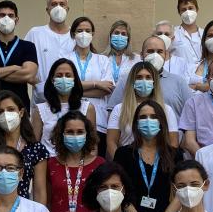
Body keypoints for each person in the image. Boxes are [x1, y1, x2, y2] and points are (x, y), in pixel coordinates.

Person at [113, 100, 184, 212]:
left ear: (161, 122)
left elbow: (180, 194)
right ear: (136, 123)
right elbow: (118, 192)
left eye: (153, 117)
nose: (148, 121)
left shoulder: (175, 154)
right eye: (143, 117)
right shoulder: (123, 154)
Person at [106, 61, 179, 156]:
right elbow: (111, 143)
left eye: (148, 77)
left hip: (159, 164)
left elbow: (173, 143)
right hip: (128, 163)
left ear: (154, 82)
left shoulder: (166, 110)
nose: (144, 81)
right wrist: (120, 163)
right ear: (132, 82)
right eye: (139, 77)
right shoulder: (119, 109)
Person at [109, 35, 193, 118]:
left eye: (160, 52)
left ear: (166, 55)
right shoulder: (127, 79)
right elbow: (112, 113)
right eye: (150, 51)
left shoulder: (179, 82)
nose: (155, 56)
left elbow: (192, 113)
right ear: (141, 55)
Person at [64, 16, 115, 147]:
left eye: (87, 30)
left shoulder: (103, 60)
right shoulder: (64, 59)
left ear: (93, 34)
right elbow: (62, 87)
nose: (84, 34)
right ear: (73, 34)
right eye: (79, 30)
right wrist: (96, 83)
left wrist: (73, 90)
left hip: (99, 121)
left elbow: (106, 89)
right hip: (70, 118)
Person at [30, 58, 95, 155]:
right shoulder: (40, 109)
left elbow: (92, 145)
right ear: (52, 80)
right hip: (49, 164)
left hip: (79, 164)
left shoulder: (87, 108)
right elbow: (34, 145)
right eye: (59, 76)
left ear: (74, 79)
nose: (64, 79)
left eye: (68, 75)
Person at [26, 0, 75, 104]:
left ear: (67, 9)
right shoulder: (35, 33)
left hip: (71, 99)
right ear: (47, 10)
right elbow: (22, 63)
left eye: (62, 4)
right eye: (54, 4)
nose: (58, 8)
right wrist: (37, 83)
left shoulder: (75, 35)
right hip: (42, 100)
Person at [104, 19, 140, 91]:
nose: (119, 36)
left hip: (126, 98)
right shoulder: (102, 58)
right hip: (105, 98)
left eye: (123, 34)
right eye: (116, 33)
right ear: (110, 36)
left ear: (128, 39)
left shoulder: (136, 59)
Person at [171, 0, 202, 69]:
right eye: (183, 9)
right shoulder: (172, 33)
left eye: (190, 8)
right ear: (179, 12)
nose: (187, 12)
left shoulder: (205, 34)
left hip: (202, 78)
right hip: (179, 78)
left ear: (197, 10)